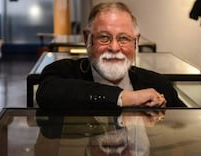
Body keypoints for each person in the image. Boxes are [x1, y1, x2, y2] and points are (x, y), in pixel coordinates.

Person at [36, 2, 186, 110]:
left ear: (136, 42)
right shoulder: (64, 73)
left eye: (123, 38)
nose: (114, 48)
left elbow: (186, 131)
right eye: (104, 37)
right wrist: (125, 97)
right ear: (87, 38)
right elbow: (47, 93)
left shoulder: (159, 85)